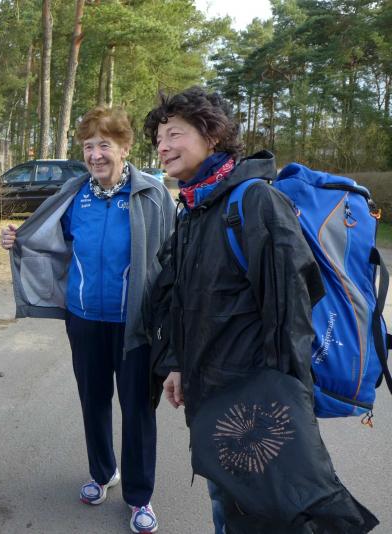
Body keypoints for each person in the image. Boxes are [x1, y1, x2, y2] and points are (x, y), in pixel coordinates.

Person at [143, 87, 324, 533]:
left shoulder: (254, 202)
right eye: (159, 138)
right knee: (226, 504)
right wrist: (176, 363)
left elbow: (292, 315)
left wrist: (289, 409)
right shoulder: (193, 207)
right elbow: (183, 301)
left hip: (255, 403)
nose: (163, 146)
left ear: (212, 135)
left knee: (259, 515)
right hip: (209, 396)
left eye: (174, 134)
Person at [1, 106, 174, 533]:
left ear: (124, 147)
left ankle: (139, 496)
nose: (95, 155)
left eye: (104, 145)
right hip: (83, 320)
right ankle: (103, 472)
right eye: (88, 147)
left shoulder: (152, 195)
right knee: (93, 401)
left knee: (137, 409)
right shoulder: (75, 194)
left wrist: (170, 326)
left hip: (134, 324)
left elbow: (172, 261)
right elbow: (51, 242)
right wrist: (16, 239)